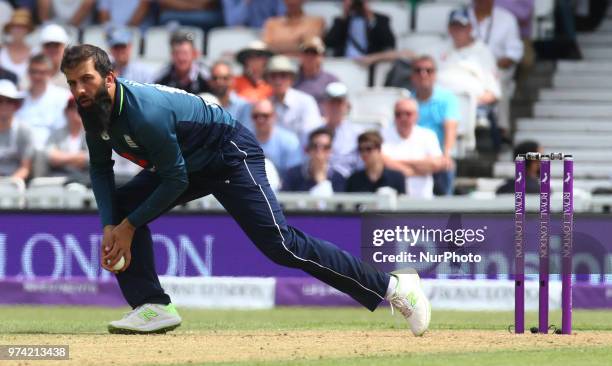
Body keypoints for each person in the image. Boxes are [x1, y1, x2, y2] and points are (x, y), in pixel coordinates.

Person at [60, 44, 430, 335]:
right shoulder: (93, 110)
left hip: (228, 154)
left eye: (86, 79)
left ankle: (394, 287)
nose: (79, 89)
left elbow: (175, 181)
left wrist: (126, 228)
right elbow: (99, 168)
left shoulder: (146, 113)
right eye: (72, 82)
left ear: (110, 77)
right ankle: (152, 306)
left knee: (281, 244)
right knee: (122, 207)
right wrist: (111, 225)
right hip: (187, 163)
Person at [409, 56, 459, 196]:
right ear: (412, 76)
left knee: (446, 167)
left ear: (435, 75)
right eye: (418, 70)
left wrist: (446, 155)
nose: (423, 74)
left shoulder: (448, 99)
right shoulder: (407, 102)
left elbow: (450, 127)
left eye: (428, 70)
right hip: (413, 155)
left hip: (438, 156)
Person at [382, 97, 447, 199]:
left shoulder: (428, 135)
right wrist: (421, 168)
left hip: (423, 201)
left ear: (417, 116)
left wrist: (397, 165)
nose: (403, 118)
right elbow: (382, 163)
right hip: (392, 202)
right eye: (398, 114)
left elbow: (436, 164)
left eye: (408, 114)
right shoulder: (383, 134)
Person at [16, 54, 71, 150]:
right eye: (33, 71)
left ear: (50, 73)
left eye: (42, 72)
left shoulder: (63, 97)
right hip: (21, 152)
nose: (37, 76)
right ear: (28, 72)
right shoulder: (18, 98)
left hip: (52, 152)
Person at [266, 55, 322, 144]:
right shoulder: (266, 104)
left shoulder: (306, 101)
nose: (278, 80)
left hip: (302, 154)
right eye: (273, 76)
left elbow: (313, 133)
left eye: (283, 75)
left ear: (291, 79)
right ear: (268, 79)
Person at [282, 127, 345, 195]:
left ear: (331, 151)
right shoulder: (293, 175)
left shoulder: (338, 178)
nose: (319, 151)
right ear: (308, 149)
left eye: (325, 147)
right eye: (315, 146)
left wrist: (321, 182)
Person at [325, 0, 395, 58]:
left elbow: (389, 43)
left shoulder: (380, 19)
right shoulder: (341, 21)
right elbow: (329, 43)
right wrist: (344, 15)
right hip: (345, 63)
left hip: (369, 63)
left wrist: (370, 18)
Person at [45, 96, 89, 184]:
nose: (78, 112)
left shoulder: (91, 134)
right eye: (73, 108)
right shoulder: (56, 134)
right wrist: (79, 157)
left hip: (85, 179)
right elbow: (51, 157)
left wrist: (62, 159)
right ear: (66, 112)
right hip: (58, 179)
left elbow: (91, 158)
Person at [251, 99, 302, 176]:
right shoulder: (244, 141)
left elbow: (294, 173)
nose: (260, 120)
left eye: (265, 116)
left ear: (274, 116)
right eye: (256, 116)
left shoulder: (289, 140)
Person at [321, 82, 360, 178]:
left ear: (346, 105)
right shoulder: (315, 133)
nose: (335, 106)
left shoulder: (357, 133)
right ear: (325, 104)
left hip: (349, 185)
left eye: (339, 102)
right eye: (331, 102)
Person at [155, 31, 210, 95]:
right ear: (172, 55)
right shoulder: (162, 77)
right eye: (177, 53)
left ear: (194, 54)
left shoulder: (207, 78)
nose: (181, 58)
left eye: (185, 53)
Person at [293, 36, 339, 113]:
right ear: (300, 55)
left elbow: (341, 106)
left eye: (314, 53)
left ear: (322, 56)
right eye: (306, 52)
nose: (310, 57)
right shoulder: (290, 80)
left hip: (323, 123)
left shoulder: (332, 81)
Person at [0, 79, 33, 181]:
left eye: (9, 101)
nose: (4, 105)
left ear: (16, 105)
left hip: (14, 185)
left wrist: (8, 184)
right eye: (0, 101)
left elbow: (25, 168)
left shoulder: (24, 130)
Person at [208, 61, 250, 126]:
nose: (219, 82)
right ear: (209, 81)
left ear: (232, 80)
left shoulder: (243, 106)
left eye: (225, 78)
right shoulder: (203, 104)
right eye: (215, 78)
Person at [0, 8, 33, 85]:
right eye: (15, 26)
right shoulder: (1, 50)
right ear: (9, 29)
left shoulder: (35, 53)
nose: (18, 29)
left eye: (22, 26)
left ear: (27, 29)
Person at [158, 0, 224, 32]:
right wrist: (190, 6)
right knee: (166, 17)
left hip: (207, 16)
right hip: (176, 14)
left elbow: (205, 2)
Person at [39, 23, 71, 89]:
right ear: (41, 48)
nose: (52, 49)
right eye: (48, 45)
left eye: (56, 45)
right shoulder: (31, 74)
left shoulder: (73, 75)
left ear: (65, 48)